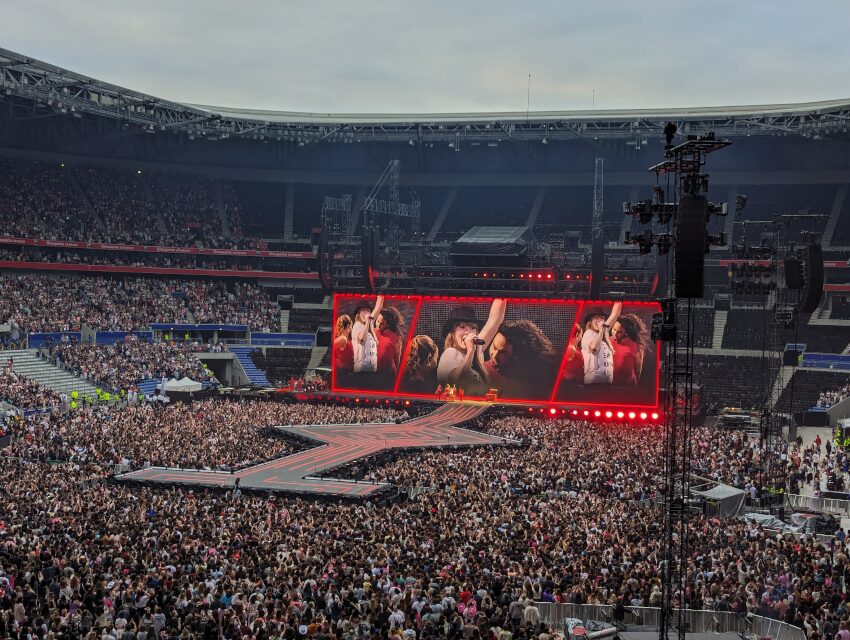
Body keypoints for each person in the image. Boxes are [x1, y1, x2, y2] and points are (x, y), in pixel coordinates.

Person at [437, 299, 506, 396]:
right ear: (452, 332)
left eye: (473, 328)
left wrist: (503, 296)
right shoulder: (450, 353)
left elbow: (495, 321)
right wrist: (470, 351)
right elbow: (457, 382)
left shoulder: (476, 352)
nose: (468, 332)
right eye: (462, 327)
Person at [483, 319, 559, 399]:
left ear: (518, 355)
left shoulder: (542, 378)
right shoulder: (484, 371)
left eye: (503, 353)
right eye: (494, 347)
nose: (494, 356)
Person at [581, 302, 622, 385]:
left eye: (602, 318)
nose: (599, 321)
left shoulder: (604, 332)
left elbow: (615, 314)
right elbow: (594, 348)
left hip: (607, 382)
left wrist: (618, 297)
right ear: (590, 322)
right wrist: (600, 331)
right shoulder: (588, 334)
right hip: (593, 383)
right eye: (596, 318)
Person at [612, 313, 651, 386]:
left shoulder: (636, 345)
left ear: (626, 332)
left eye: (619, 331)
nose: (615, 333)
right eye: (614, 329)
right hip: (608, 387)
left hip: (628, 387)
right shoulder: (607, 341)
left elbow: (637, 372)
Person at [351, 296, 383, 374]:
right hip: (361, 370)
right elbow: (362, 338)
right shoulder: (357, 325)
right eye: (363, 310)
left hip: (371, 370)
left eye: (368, 310)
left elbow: (378, 307)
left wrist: (381, 294)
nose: (366, 313)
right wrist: (368, 322)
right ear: (358, 313)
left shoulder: (369, 325)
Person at [376, 306, 406, 386]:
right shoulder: (373, 332)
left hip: (388, 377)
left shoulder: (396, 338)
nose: (378, 325)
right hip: (373, 375)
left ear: (388, 324)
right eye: (377, 321)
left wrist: (396, 379)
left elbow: (397, 361)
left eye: (382, 323)